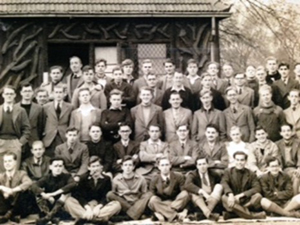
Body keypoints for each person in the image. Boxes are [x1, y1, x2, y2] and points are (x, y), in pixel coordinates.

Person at [69, 156, 121, 224]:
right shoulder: (83, 178)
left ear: (101, 167)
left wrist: (98, 207)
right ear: (89, 167)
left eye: (97, 166)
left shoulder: (106, 179)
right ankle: (97, 219)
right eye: (93, 166)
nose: (95, 169)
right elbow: (79, 196)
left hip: (99, 207)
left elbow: (105, 197)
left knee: (117, 204)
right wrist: (88, 208)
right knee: (69, 200)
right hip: (85, 206)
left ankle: (85, 218)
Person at [32, 157, 78, 225]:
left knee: (65, 194)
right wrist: (44, 194)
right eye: (55, 166)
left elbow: (73, 184)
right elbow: (34, 185)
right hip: (50, 205)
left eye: (60, 166)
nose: (58, 168)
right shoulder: (47, 177)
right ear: (50, 167)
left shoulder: (67, 176)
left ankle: (48, 218)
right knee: (38, 194)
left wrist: (53, 194)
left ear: (63, 167)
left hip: (63, 206)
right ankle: (51, 218)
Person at [221, 151, 265, 220]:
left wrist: (242, 195)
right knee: (224, 197)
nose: (239, 162)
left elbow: (257, 188)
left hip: (245, 200)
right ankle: (253, 216)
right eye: (237, 160)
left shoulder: (251, 173)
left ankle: (234, 214)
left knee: (258, 196)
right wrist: (230, 194)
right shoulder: (228, 171)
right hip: (233, 200)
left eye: (242, 160)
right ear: (234, 160)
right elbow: (224, 182)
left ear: (245, 161)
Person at [107, 155, 153, 221]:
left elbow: (144, 193)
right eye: (125, 165)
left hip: (137, 203)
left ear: (133, 167)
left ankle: (128, 217)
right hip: (124, 203)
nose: (128, 167)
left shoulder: (141, 178)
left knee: (149, 194)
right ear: (122, 167)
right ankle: (137, 215)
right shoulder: (116, 179)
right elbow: (114, 194)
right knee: (110, 194)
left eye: (130, 165)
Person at [148, 157, 190, 222]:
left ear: (170, 166)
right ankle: (175, 216)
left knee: (185, 194)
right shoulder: (154, 179)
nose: (165, 167)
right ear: (159, 167)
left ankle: (164, 213)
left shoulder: (178, 176)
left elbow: (185, 195)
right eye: (162, 165)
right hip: (162, 202)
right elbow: (151, 196)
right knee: (153, 200)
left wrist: (186, 210)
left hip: (176, 202)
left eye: (167, 165)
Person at [0, 85, 30, 172]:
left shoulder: (21, 111)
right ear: (3, 95)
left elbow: (27, 129)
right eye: (7, 93)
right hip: (0, 142)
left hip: (15, 142)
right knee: (1, 171)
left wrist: (20, 143)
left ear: (15, 95)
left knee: (14, 169)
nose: (9, 96)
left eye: (11, 94)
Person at [184, 156, 223, 221]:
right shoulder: (193, 174)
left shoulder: (214, 174)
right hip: (200, 201)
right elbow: (187, 185)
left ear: (207, 164)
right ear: (197, 166)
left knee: (219, 186)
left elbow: (222, 184)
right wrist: (202, 192)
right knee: (194, 193)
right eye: (200, 164)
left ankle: (203, 215)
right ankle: (208, 214)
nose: (202, 166)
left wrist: (212, 196)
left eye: (204, 164)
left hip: (212, 200)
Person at [0, 152, 32, 223]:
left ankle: (10, 214)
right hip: (5, 205)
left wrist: (13, 190)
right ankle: (10, 215)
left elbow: (28, 182)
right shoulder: (1, 176)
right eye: (5, 161)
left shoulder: (21, 174)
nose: (7, 163)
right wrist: (2, 187)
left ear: (15, 162)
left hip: (19, 206)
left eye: (10, 161)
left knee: (25, 190)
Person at [43, 85, 73, 156]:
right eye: (56, 92)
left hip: (63, 136)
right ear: (53, 93)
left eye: (60, 92)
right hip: (49, 137)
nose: (58, 94)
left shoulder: (70, 107)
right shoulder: (46, 107)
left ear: (64, 94)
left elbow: (70, 122)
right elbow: (42, 122)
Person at [17, 83, 44, 159]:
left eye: (29, 91)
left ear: (32, 93)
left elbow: (41, 125)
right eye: (25, 91)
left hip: (34, 140)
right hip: (19, 140)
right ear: (21, 93)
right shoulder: (15, 107)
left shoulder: (39, 108)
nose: (27, 93)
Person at [276, 123, 300, 195]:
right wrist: (279, 168)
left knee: (297, 175)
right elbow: (277, 157)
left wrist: (299, 167)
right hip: (283, 168)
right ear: (280, 133)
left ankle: (295, 199)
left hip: (295, 167)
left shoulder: (298, 143)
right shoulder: (277, 144)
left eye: (288, 130)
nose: (286, 133)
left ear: (292, 132)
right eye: (284, 131)